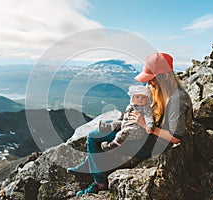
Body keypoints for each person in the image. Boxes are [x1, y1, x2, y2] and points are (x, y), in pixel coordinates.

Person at [67, 52, 193, 196]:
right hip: (143, 131)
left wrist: (145, 125)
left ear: (164, 76)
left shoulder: (177, 100)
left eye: (151, 79)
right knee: (100, 131)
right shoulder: (159, 88)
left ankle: (99, 182)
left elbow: (176, 137)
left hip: (155, 142)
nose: (148, 83)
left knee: (95, 139)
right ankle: (91, 162)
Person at [99, 85, 155, 151]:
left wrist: (149, 125)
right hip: (128, 123)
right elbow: (126, 115)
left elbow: (148, 117)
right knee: (117, 123)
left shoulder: (146, 108)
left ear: (147, 99)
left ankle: (111, 146)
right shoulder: (131, 106)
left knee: (123, 133)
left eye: (143, 97)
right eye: (137, 97)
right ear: (133, 98)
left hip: (136, 129)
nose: (140, 99)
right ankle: (106, 127)